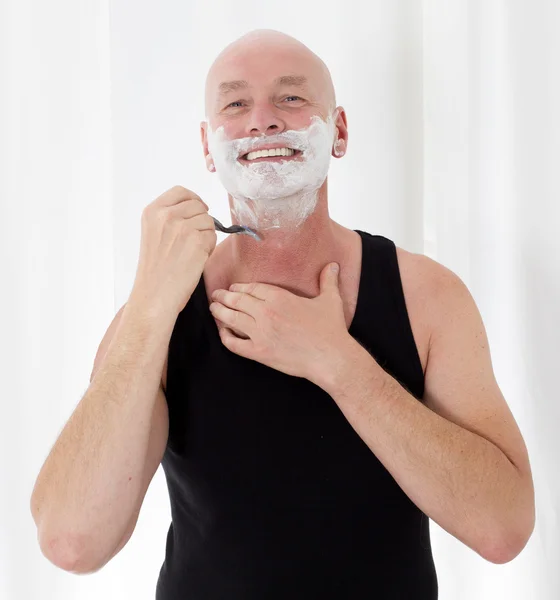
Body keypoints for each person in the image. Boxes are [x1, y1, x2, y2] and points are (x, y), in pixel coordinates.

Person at [30, 29, 535, 599]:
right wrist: (149, 308)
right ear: (206, 146)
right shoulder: (160, 314)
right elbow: (71, 542)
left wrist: (339, 364)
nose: (262, 120)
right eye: (236, 103)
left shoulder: (427, 297)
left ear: (339, 131)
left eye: (291, 98)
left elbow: (504, 529)